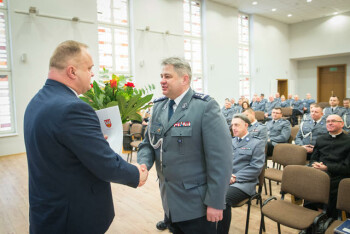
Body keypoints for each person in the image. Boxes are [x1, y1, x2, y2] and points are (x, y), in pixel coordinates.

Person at [23, 40, 147, 234]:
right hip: (70, 218)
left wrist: (93, 141)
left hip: (47, 210)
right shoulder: (73, 108)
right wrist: (136, 174)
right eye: (89, 68)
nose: (92, 73)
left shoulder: (37, 101)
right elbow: (105, 165)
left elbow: (61, 149)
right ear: (72, 72)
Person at [137, 57, 233, 233]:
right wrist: (143, 164)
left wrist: (216, 202)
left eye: (167, 76)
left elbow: (222, 160)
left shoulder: (205, 107)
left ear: (184, 79)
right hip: (169, 201)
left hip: (198, 205)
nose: (162, 81)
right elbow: (148, 144)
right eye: (161, 76)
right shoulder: (159, 107)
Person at [217, 114, 265, 234]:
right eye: (232, 125)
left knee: (223, 198)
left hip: (244, 184)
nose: (233, 127)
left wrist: (235, 177)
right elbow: (222, 161)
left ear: (246, 125)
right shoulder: (231, 141)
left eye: (237, 125)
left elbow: (256, 168)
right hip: (226, 179)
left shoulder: (256, 143)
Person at [305, 115, 350, 219]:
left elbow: (347, 167)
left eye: (333, 121)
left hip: (338, 174)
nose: (330, 123)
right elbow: (313, 158)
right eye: (328, 121)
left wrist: (327, 167)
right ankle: (312, 217)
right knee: (306, 178)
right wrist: (314, 164)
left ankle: (328, 219)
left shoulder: (348, 141)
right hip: (319, 171)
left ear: (342, 124)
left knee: (327, 184)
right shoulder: (321, 139)